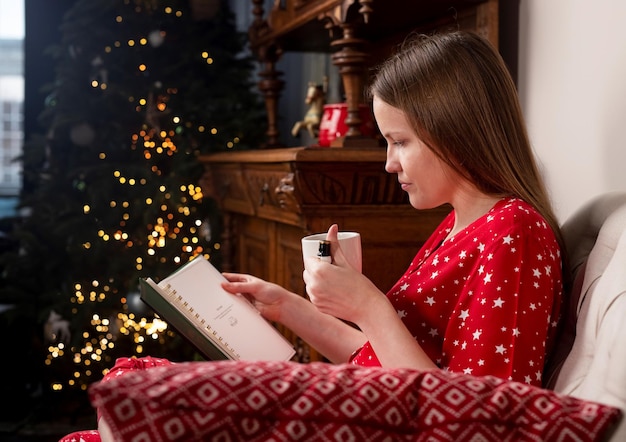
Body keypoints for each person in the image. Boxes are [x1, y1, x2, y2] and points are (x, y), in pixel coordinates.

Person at [221, 31, 565, 388]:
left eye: (399, 142)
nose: (389, 164)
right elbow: (383, 360)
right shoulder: (458, 223)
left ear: (455, 131)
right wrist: (286, 307)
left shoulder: (513, 233)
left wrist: (369, 307)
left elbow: (477, 412)